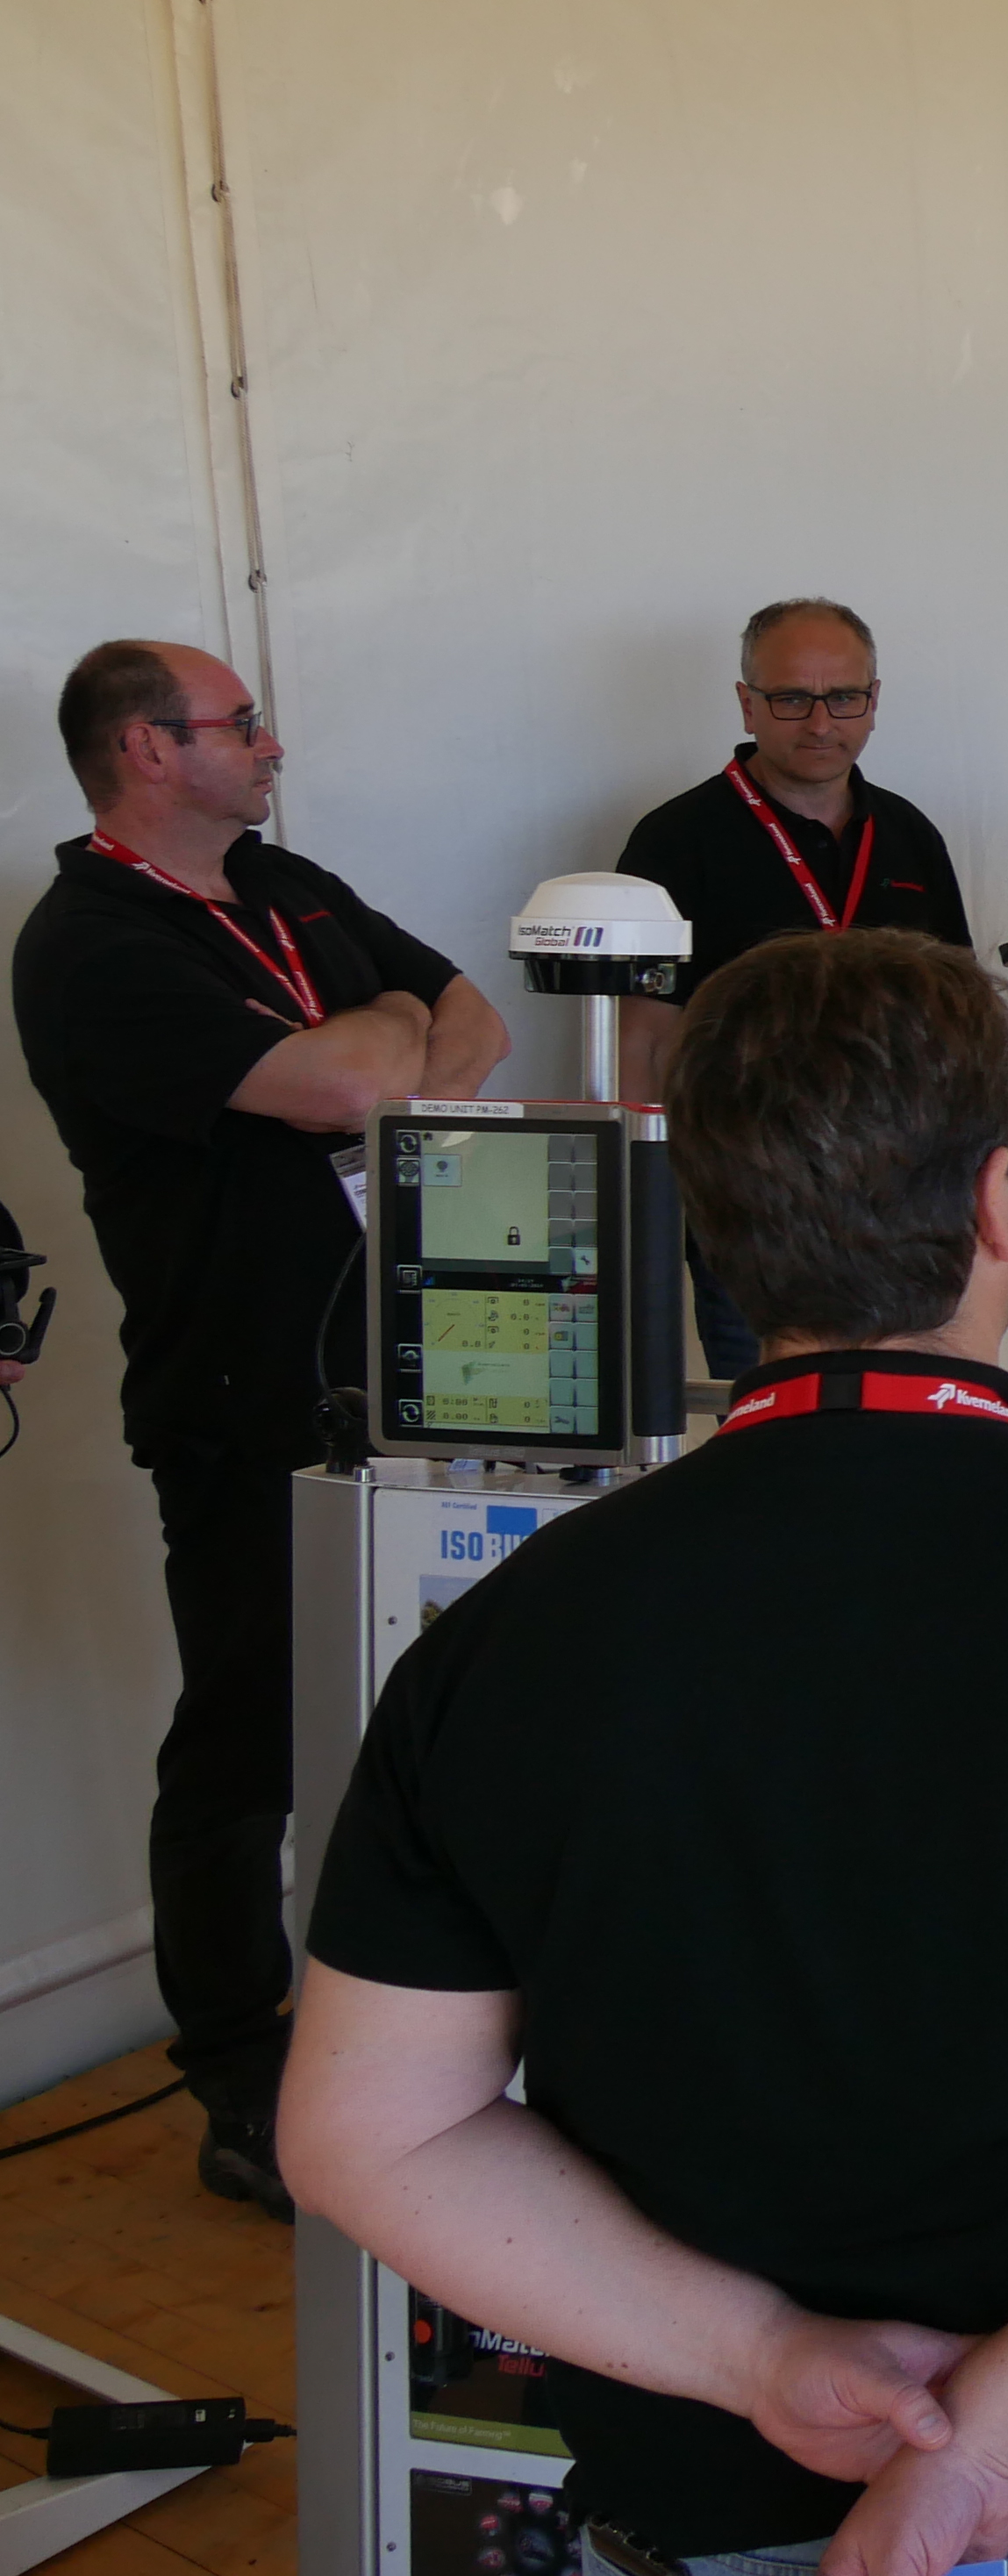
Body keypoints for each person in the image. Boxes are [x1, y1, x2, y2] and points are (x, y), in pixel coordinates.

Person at [277, 930, 1008, 2576]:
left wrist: (766, 2356)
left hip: (741, 2493)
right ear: (996, 1207)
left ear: (712, 1237)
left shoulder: (496, 1643)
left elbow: (366, 2133)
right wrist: (991, 2438)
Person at [11, 640, 507, 2216]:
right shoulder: (93, 943)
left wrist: (378, 1039)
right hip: (243, 1404)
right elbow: (340, 1083)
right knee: (249, 1741)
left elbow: (473, 1022)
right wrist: (380, 1030)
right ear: (147, 750)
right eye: (239, 724)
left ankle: (432, 2031)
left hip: (418, 1368)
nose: (272, 743)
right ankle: (239, 2073)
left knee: (442, 1700)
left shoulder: (283, 884)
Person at [612, 597, 971, 1374]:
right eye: (791, 699)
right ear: (747, 703)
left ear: (874, 700)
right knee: (774, 1409)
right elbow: (641, 1040)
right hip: (751, 1202)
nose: (820, 723)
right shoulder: (674, 841)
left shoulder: (909, 835)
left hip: (905, 1200)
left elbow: (959, 1020)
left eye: (843, 697)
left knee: (901, 1406)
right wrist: (647, 1202)